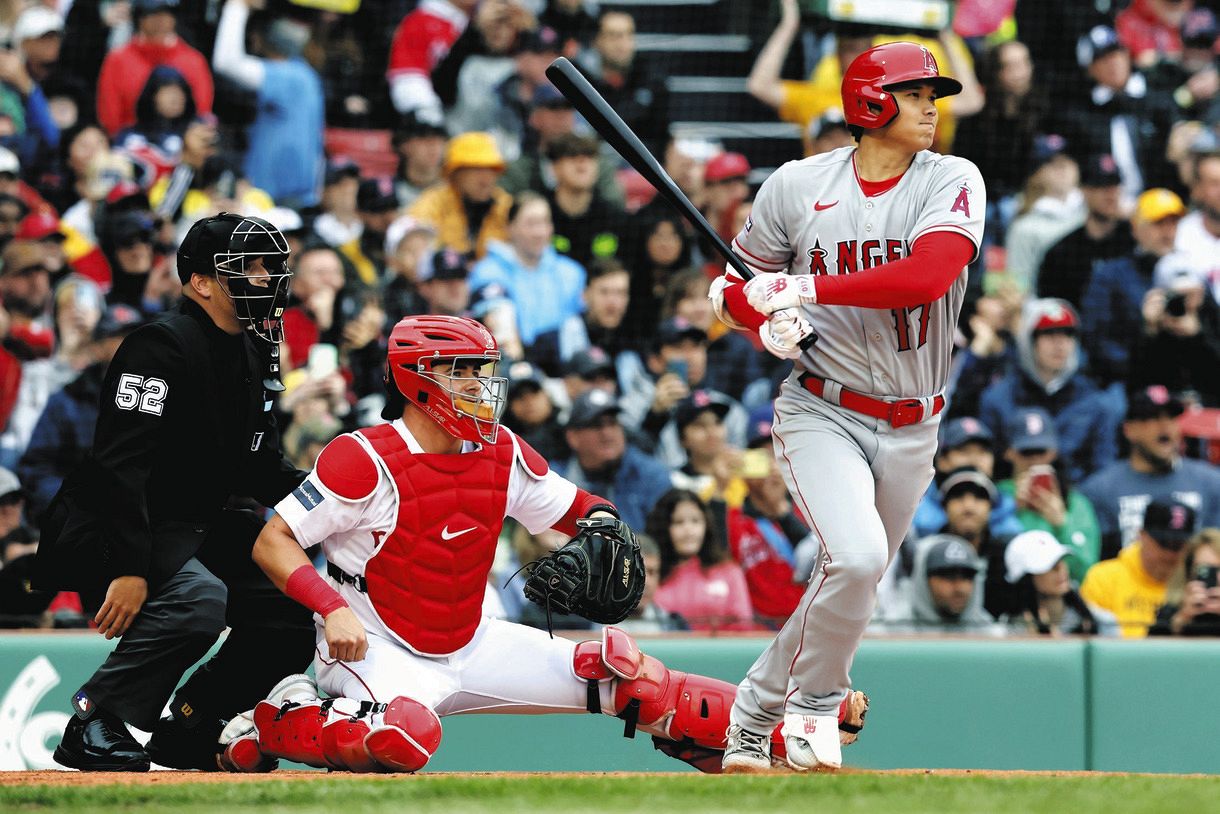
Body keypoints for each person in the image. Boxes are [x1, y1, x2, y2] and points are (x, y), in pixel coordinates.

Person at [229, 314, 866, 775]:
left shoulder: (500, 450)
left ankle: (784, 731)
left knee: (628, 678)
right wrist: (330, 607)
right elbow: (273, 541)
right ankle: (283, 715)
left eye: (482, 374)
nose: (479, 388)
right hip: (377, 648)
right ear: (418, 379)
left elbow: (579, 510)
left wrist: (602, 527)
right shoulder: (362, 456)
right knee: (406, 739)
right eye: (462, 375)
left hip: (472, 639)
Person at [708, 41, 985, 772]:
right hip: (822, 407)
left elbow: (928, 275)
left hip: (915, 421)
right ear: (869, 102)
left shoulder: (952, 177)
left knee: (849, 579)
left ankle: (747, 721)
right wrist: (758, 311)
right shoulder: (797, 185)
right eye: (916, 92)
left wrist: (803, 291)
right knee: (856, 559)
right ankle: (812, 711)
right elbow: (732, 288)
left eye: (934, 93)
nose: (932, 105)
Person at [33, 214, 313, 771]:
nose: (265, 280)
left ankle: (193, 722)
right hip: (112, 525)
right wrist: (131, 567)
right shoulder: (158, 346)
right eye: (247, 268)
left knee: (288, 603)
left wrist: (346, 497)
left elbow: (260, 468)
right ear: (200, 282)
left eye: (268, 268)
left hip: (192, 525)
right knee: (198, 601)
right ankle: (94, 719)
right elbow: (120, 468)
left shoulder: (254, 352)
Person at [978, 298, 1122, 484]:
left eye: (1067, 334)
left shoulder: (1095, 402)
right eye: (1049, 334)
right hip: (1012, 501)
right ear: (1029, 340)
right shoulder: (997, 399)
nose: (1059, 344)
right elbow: (990, 467)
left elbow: (1102, 471)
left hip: (1078, 502)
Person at [1080, 386, 1220, 559]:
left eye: (1171, 417)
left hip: (1189, 583)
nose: (1164, 425)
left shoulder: (1212, 483)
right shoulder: (1099, 490)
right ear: (1129, 430)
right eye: (1152, 418)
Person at [212, 0, 324, 209]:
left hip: (278, 200)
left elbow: (226, 63)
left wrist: (237, 7)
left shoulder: (291, 77)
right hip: (288, 197)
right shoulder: (305, 75)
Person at [997, 407, 1101, 583]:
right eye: (1027, 452)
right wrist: (1012, 510)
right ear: (1009, 453)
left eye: (1041, 451)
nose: (1035, 460)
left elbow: (1086, 572)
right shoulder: (998, 495)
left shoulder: (1075, 502)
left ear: (1053, 452)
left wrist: (1062, 524)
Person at [95, 0, 214, 138]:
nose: (160, 20)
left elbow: (201, 113)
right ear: (139, 18)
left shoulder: (194, 61)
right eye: (153, 14)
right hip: (130, 146)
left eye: (167, 13)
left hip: (181, 148)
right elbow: (110, 118)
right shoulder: (117, 60)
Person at [1080, 499, 1197, 637]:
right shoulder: (1104, 578)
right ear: (1142, 535)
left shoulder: (1194, 582)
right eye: (1164, 543)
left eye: (1178, 545)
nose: (1170, 554)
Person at [646, 488, 755, 632]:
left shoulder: (730, 572)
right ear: (663, 527)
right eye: (678, 522)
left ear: (706, 524)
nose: (689, 529)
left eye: (696, 521)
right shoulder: (651, 573)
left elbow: (744, 628)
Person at [869, 533, 1003, 635]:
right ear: (922, 578)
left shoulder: (991, 634)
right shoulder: (892, 632)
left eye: (966, 577)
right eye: (948, 576)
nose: (960, 588)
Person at [1001, 530, 1099, 636]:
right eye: (1049, 565)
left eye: (1061, 559)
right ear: (1026, 580)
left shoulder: (1099, 620)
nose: (1060, 568)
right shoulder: (1009, 632)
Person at [1148, 528, 1220, 636]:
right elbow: (1151, 649)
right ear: (1189, 572)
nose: (1212, 577)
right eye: (1203, 569)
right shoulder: (1172, 610)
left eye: (1217, 569)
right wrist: (1180, 620)